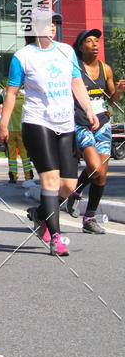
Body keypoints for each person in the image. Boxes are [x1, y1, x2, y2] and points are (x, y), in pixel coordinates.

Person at [0, 8, 99, 257]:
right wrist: (3, 124)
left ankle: (39, 213)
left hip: (66, 124)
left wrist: (89, 109)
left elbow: (76, 83)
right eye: (47, 23)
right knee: (50, 181)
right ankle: (55, 237)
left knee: (67, 186)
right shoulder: (23, 57)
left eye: (55, 23)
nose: (53, 26)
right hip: (37, 123)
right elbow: (11, 92)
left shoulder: (66, 52)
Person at [65, 29, 125, 232]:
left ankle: (88, 219)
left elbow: (111, 100)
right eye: (89, 41)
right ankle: (75, 194)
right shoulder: (74, 69)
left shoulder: (106, 69)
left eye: (97, 41)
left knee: (101, 175)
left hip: (103, 122)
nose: (95, 44)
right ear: (81, 47)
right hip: (82, 122)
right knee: (95, 167)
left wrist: (118, 90)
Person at [0, 87, 34, 183]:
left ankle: (13, 176)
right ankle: (28, 176)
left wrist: (3, 92)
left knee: (12, 155)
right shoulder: (23, 97)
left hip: (10, 131)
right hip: (21, 130)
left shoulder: (5, 96)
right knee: (25, 155)